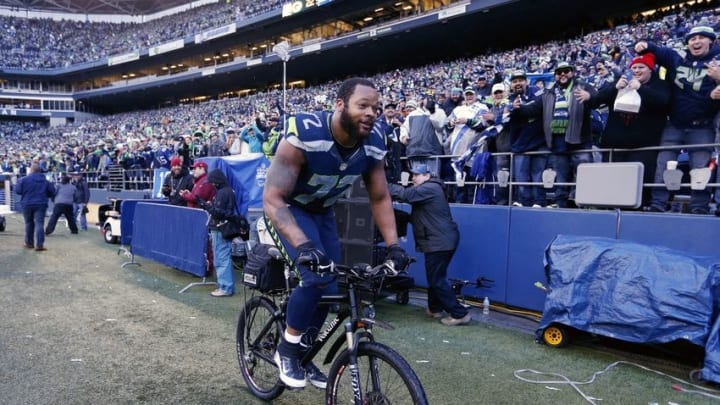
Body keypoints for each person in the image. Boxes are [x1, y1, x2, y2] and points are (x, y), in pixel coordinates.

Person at [263, 77, 409, 389]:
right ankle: (287, 349)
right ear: (340, 105)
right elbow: (273, 198)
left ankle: (304, 352)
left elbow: (380, 197)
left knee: (331, 287)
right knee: (314, 277)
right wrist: (302, 245)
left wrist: (394, 245)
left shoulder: (374, 142)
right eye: (363, 105)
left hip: (322, 211)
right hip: (288, 209)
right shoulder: (305, 132)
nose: (372, 113)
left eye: (377, 108)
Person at [635, 25, 720, 214]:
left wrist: (715, 91)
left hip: (702, 126)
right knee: (663, 165)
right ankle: (658, 203)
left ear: (711, 41)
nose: (696, 42)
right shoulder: (677, 58)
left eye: (701, 38)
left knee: (700, 169)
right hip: (674, 124)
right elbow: (657, 50)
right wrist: (644, 44)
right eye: (692, 38)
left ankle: (699, 207)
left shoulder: (717, 61)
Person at [581, 53, 671, 208]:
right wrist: (613, 88)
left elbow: (663, 103)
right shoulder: (620, 84)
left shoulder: (660, 85)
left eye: (641, 67)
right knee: (612, 189)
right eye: (634, 67)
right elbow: (595, 102)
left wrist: (641, 89)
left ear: (650, 69)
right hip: (615, 148)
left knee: (640, 190)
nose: (636, 70)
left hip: (644, 148)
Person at [387, 164, 470, 326]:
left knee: (437, 279)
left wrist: (382, 185)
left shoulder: (430, 188)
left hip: (439, 242)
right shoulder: (431, 189)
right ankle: (435, 308)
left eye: (417, 175)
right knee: (436, 277)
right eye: (413, 175)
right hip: (441, 240)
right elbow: (422, 217)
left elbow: (405, 194)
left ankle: (460, 313)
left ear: (427, 176)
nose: (413, 178)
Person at [514, 62, 597, 208]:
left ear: (572, 72)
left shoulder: (583, 86)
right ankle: (560, 203)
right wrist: (519, 108)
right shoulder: (548, 93)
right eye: (559, 72)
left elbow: (598, 100)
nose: (563, 74)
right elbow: (533, 109)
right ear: (555, 76)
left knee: (585, 174)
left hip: (580, 140)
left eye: (566, 71)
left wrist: (590, 97)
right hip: (558, 141)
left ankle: (588, 204)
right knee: (561, 176)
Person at [201, 169, 240, 297]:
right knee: (223, 258)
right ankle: (226, 286)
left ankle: (225, 287)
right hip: (224, 229)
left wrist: (205, 205)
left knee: (221, 258)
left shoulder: (223, 193)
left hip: (220, 229)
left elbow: (218, 212)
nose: (212, 184)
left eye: (212, 182)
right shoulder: (228, 191)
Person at [15, 162, 55, 251]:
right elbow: (52, 192)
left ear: (31, 170)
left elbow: (17, 191)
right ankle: (39, 245)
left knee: (29, 223)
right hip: (41, 204)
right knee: (39, 223)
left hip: (27, 203)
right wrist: (45, 195)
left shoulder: (23, 179)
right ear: (40, 171)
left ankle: (29, 243)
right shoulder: (46, 181)